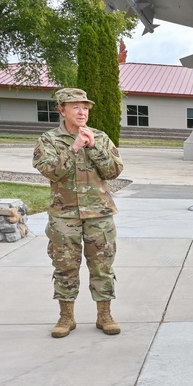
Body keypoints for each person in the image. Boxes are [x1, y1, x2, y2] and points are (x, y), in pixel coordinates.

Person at [33, 87, 124, 338]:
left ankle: (104, 315)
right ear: (61, 110)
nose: (82, 112)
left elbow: (114, 171)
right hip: (65, 215)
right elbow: (51, 171)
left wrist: (93, 147)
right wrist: (73, 148)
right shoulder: (49, 140)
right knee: (65, 266)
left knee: (102, 266)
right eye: (75, 107)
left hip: (99, 213)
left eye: (85, 107)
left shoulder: (101, 137)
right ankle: (66, 317)